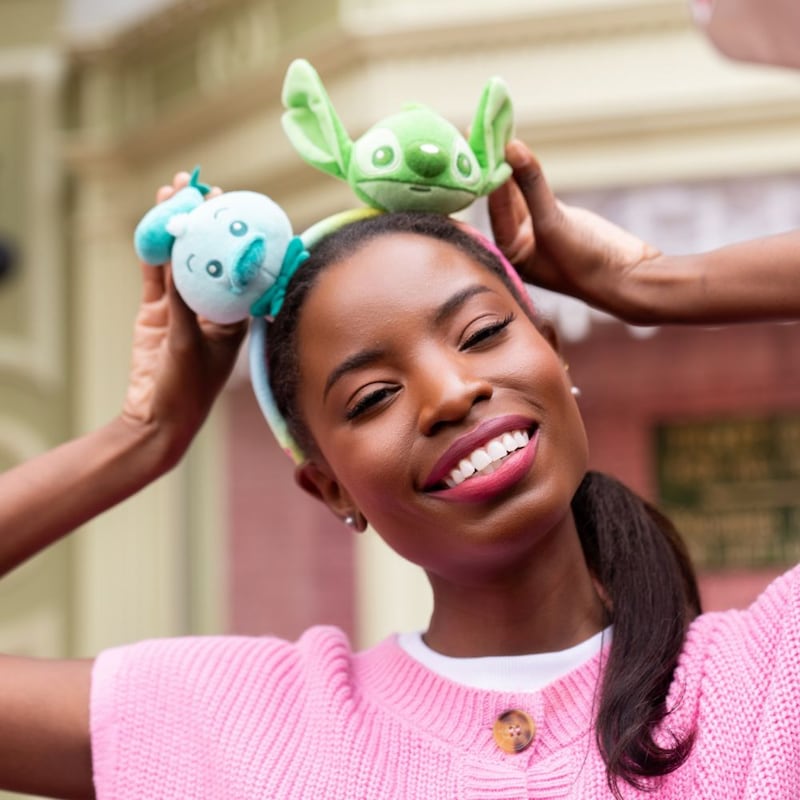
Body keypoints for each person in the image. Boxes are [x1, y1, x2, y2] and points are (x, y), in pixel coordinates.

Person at [0, 143, 798, 799]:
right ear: (329, 486)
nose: (452, 393)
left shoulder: (767, 681)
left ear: (554, 356)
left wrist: (653, 283)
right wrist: (144, 438)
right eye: (373, 395)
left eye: (483, 333)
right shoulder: (248, 726)